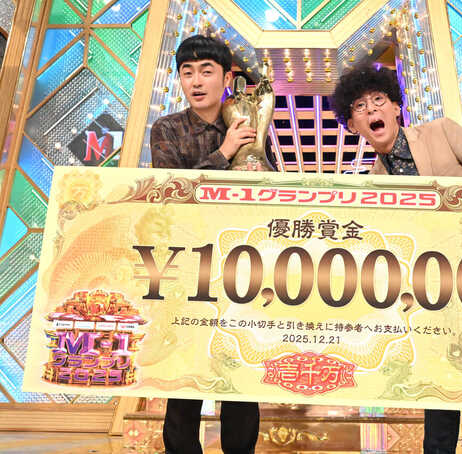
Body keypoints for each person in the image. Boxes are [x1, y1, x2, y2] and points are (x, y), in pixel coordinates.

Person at [331, 64, 462, 454]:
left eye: (379, 100)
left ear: (396, 108)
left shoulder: (441, 132)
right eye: (360, 107)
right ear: (353, 126)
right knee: (437, 398)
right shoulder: (372, 184)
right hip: (426, 300)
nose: (371, 109)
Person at [150, 34, 261, 454]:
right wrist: (224, 151)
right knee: (184, 381)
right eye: (187, 72)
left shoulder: (250, 125)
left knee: (240, 376)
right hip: (187, 269)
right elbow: (172, 194)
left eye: (206, 71)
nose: (196, 81)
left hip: (240, 268)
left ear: (227, 78)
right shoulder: (167, 128)